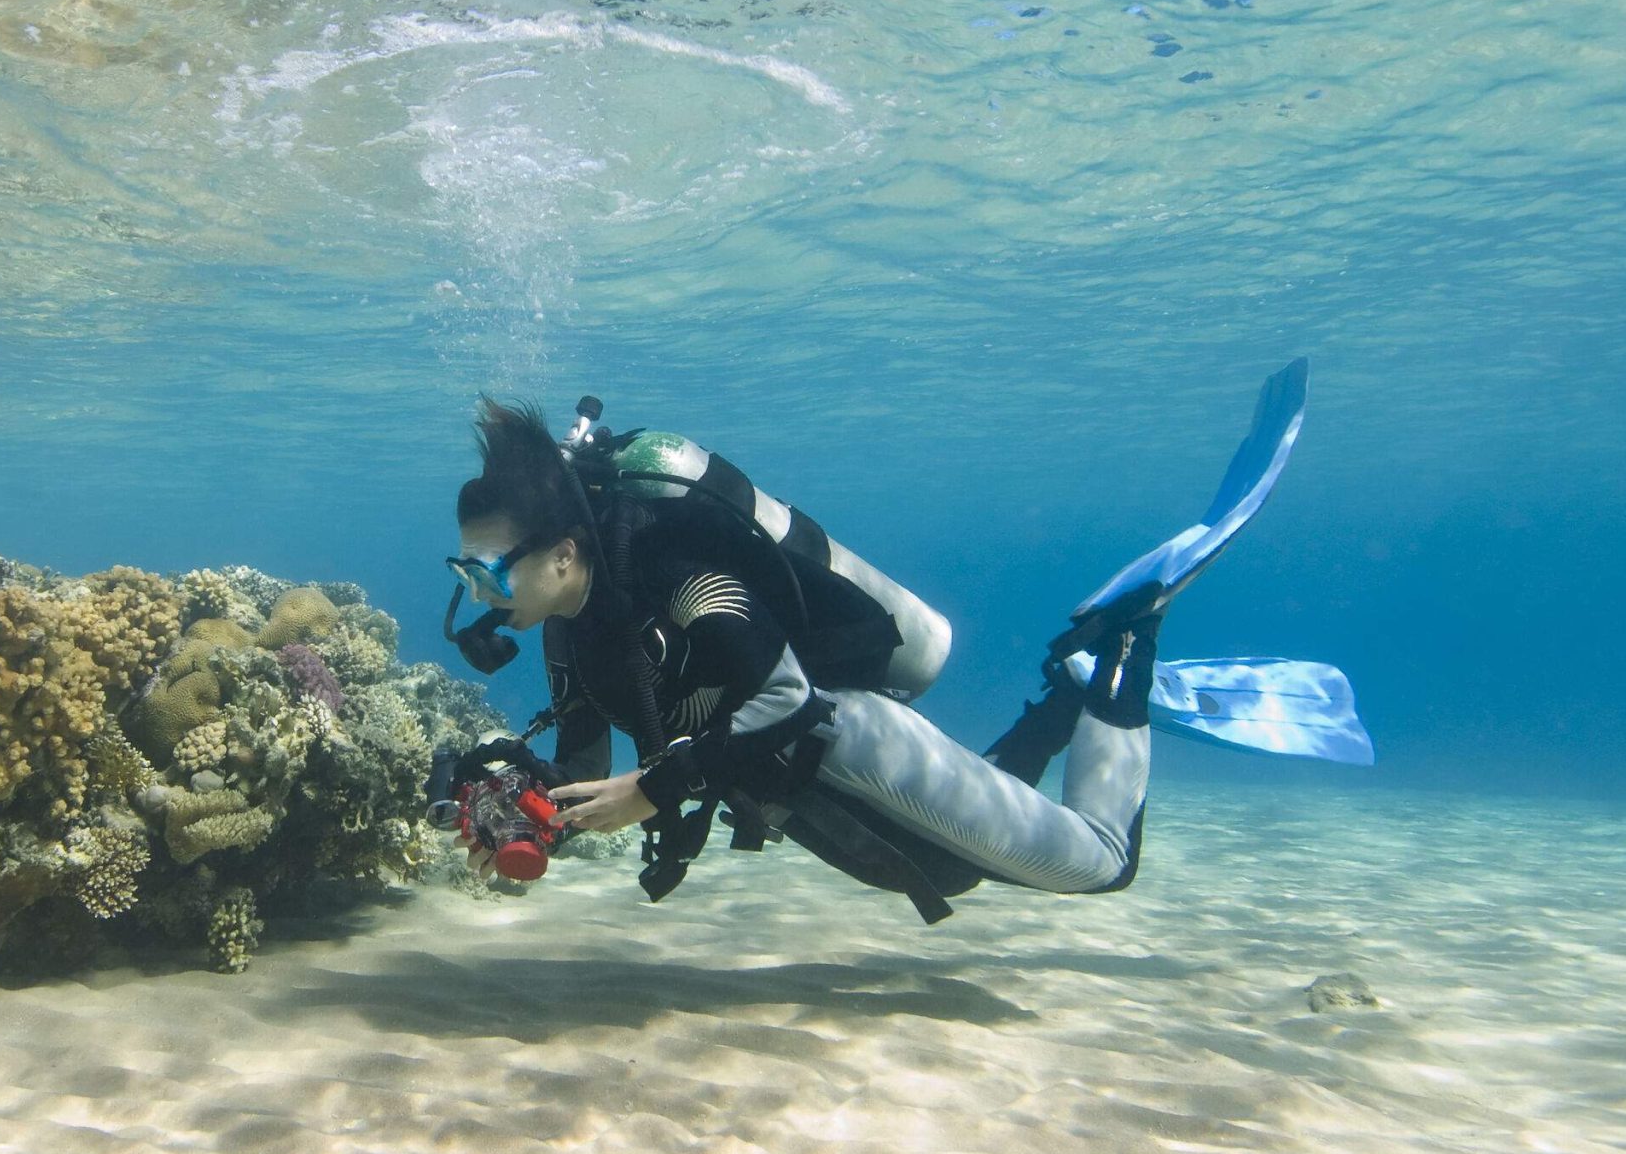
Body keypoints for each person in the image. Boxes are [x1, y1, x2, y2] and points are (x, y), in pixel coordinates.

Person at [443, 371, 1316, 920]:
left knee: (1098, 865)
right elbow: (589, 763)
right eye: (465, 571)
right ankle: (1067, 692)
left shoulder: (683, 576)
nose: (474, 596)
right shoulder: (570, 622)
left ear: (562, 550)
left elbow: (782, 698)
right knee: (961, 870)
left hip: (854, 743)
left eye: (486, 569)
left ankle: (1129, 639)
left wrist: (657, 784)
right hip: (806, 785)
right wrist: (517, 800)